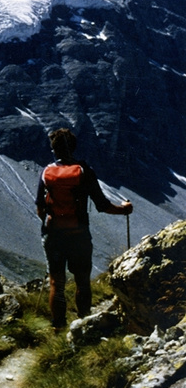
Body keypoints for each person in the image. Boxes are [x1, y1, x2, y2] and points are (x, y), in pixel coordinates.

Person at [36, 127, 132, 330]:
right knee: (82, 281)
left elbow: (39, 210)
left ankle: (58, 327)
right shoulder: (84, 171)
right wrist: (124, 210)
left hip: (53, 235)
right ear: (74, 147)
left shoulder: (46, 173)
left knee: (57, 283)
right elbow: (103, 206)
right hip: (78, 234)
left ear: (54, 150)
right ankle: (84, 323)